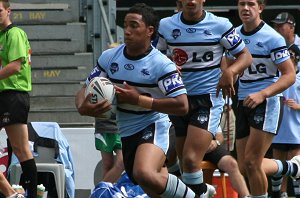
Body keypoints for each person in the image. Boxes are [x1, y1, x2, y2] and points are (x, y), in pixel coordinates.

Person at [76, 3, 198, 198]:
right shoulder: (110, 57)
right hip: (126, 129)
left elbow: (182, 105)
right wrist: (83, 107)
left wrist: (139, 99)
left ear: (150, 31)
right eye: (126, 25)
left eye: (134, 25)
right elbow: (84, 88)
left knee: (144, 172)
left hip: (153, 124)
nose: (127, 31)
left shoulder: (161, 64)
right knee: (149, 184)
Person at [156, 0, 252, 196]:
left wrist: (230, 71)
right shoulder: (166, 26)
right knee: (184, 163)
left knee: (191, 160)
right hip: (178, 99)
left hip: (207, 100)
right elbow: (156, 56)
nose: (191, 1)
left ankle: (202, 193)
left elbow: (245, 56)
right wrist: (166, 66)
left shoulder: (221, 25)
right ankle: (202, 191)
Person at [230, 0, 297, 197]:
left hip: (266, 102)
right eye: (242, 3)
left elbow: (289, 75)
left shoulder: (272, 38)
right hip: (242, 101)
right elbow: (228, 65)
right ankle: (290, 168)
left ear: (261, 8)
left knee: (252, 162)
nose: (245, 8)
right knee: (244, 166)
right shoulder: (233, 35)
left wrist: (262, 94)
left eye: (251, 4)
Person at [0, 1, 37, 197]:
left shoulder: (14, 34)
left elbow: (15, 66)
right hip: (4, 94)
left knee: (21, 149)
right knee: (20, 148)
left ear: (8, 11)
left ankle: (29, 193)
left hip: (13, 95)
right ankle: (12, 193)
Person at [271, 43, 300, 198]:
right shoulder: (277, 76)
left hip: (295, 128)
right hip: (279, 127)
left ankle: (293, 192)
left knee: (294, 162)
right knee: (277, 163)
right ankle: (280, 192)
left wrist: (297, 106)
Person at [94, 42, 124, 184]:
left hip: (121, 127)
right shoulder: (99, 79)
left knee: (121, 164)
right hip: (103, 126)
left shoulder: (125, 77)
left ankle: (100, 192)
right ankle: (108, 192)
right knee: (107, 165)